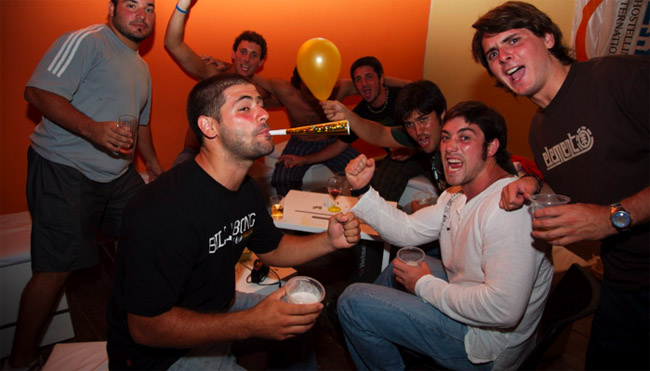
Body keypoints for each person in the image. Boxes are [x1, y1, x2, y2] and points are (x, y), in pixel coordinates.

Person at [106, 73, 360, 370]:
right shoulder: (163, 210)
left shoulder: (246, 190)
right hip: (160, 356)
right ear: (209, 126)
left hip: (219, 308)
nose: (264, 114)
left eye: (260, 104)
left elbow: (273, 248)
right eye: (244, 107)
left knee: (294, 316)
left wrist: (328, 240)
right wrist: (250, 323)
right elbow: (146, 327)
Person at [471, 2, 649, 369]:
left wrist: (613, 217)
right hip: (624, 286)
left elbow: (606, 213)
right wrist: (536, 186)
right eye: (492, 53)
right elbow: (588, 173)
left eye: (514, 40)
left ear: (548, 38)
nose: (503, 57)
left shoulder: (616, 77)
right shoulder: (540, 129)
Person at [337, 101, 553, 370]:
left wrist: (423, 284)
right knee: (400, 266)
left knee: (351, 301)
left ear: (492, 147)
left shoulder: (510, 207)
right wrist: (363, 189)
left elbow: (503, 311)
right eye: (447, 137)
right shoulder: (456, 195)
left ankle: (365, 322)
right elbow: (407, 231)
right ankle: (376, 327)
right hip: (471, 307)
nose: (450, 146)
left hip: (485, 347)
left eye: (465, 138)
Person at [7, 1, 162, 369]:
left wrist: (155, 166)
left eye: (150, 7)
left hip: (118, 173)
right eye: (131, 4)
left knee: (154, 230)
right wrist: (94, 129)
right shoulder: (87, 41)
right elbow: (37, 92)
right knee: (55, 267)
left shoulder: (141, 67)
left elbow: (141, 126)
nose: (142, 14)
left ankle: (145, 328)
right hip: (65, 167)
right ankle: (20, 360)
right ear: (111, 9)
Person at [164, 0, 273, 165]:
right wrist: (183, 5)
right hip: (196, 155)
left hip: (236, 159)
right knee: (175, 184)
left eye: (253, 55)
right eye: (242, 52)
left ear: (261, 62)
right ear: (233, 54)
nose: (246, 59)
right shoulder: (213, 77)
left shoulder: (259, 93)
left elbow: (297, 97)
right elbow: (173, 44)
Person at [323, 80, 448, 194]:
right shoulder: (420, 135)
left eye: (423, 119)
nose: (418, 131)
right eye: (410, 124)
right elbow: (381, 133)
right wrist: (347, 116)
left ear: (441, 113)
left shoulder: (458, 143)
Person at [252, 69, 363, 196]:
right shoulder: (286, 91)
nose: (313, 88)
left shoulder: (339, 88)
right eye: (309, 83)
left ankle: (358, 210)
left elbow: (371, 83)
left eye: (317, 84)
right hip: (300, 143)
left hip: (331, 142)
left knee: (363, 173)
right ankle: (297, 212)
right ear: (299, 82)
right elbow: (252, 76)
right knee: (282, 179)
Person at [338, 56, 428, 203]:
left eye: (369, 77)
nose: (364, 84)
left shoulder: (404, 97)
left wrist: (414, 149)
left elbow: (430, 130)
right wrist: (303, 159)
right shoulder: (360, 113)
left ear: (381, 79)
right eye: (358, 80)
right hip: (398, 157)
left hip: (425, 151)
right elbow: (339, 145)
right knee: (380, 182)